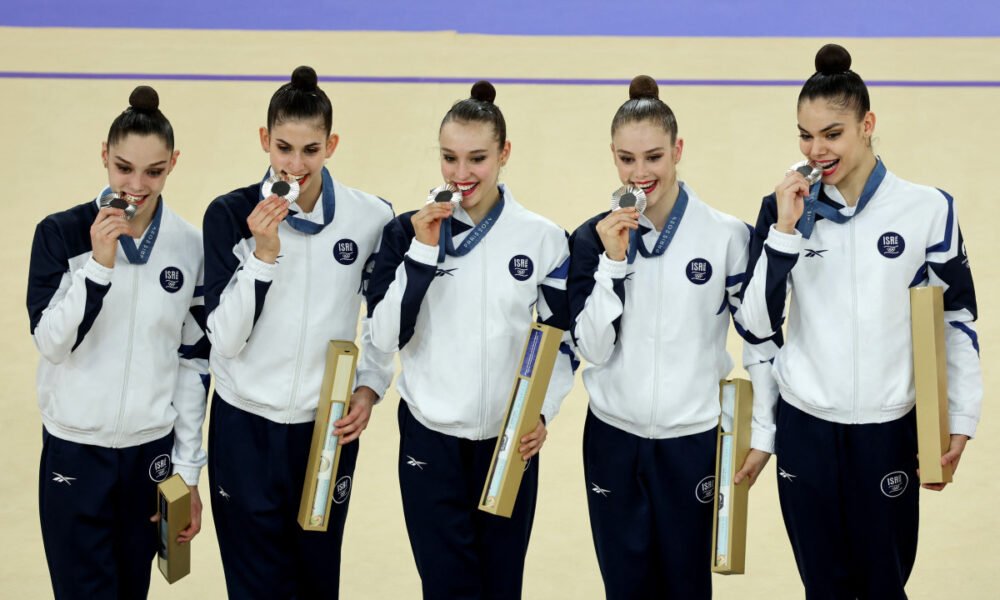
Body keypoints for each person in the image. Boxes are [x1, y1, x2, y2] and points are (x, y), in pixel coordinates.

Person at [736, 43, 982, 599]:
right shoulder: (782, 209)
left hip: (888, 430)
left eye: (832, 134)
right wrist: (785, 233)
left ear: (867, 126)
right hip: (806, 429)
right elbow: (755, 323)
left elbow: (957, 316)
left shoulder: (928, 210)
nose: (816, 150)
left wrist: (961, 414)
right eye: (805, 135)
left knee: (884, 586)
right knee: (821, 589)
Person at [567, 75, 777, 599]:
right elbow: (592, 349)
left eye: (654, 157)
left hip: (694, 442)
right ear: (613, 157)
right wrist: (613, 263)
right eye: (627, 159)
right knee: (624, 589)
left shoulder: (726, 236)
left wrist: (764, 430)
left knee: (687, 589)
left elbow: (759, 336)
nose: (640, 174)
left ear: (677, 150)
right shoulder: (593, 238)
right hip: (613, 439)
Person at [367, 80, 576, 599]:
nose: (461, 175)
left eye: (477, 158)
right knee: (447, 588)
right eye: (449, 158)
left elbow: (560, 340)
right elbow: (385, 336)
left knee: (502, 587)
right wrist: (422, 253)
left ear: (504, 154)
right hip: (430, 441)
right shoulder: (405, 233)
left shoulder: (543, 238)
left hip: (509, 441)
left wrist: (541, 411)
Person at [202, 65, 395, 599]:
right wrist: (263, 256)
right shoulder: (229, 215)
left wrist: (370, 385)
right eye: (284, 148)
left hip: (324, 430)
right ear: (265, 139)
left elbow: (381, 321)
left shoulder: (370, 217)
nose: (295, 164)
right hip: (244, 426)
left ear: (331, 145)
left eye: (311, 150)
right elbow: (225, 339)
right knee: (253, 586)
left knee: (317, 580)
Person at [27, 85, 207, 599]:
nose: (136, 185)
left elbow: (193, 362)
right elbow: (52, 343)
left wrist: (187, 471)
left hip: (149, 456)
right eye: (124, 168)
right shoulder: (60, 234)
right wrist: (98, 266)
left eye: (154, 172)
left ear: (173, 164)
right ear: (104, 155)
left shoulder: (190, 247)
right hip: (74, 450)